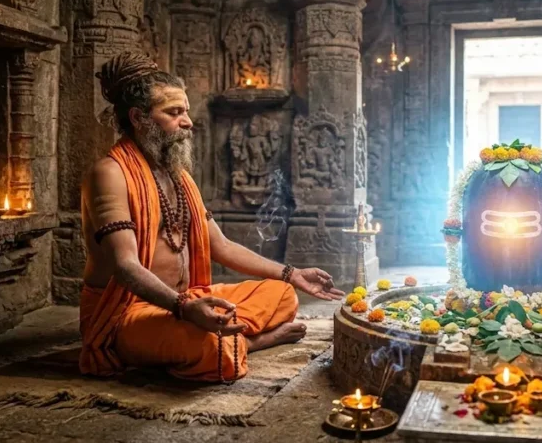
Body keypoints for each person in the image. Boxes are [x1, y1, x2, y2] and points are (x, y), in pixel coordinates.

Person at [79, 51, 344, 382]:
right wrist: (182, 308)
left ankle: (224, 337)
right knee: (219, 356)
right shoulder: (110, 173)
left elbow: (221, 245)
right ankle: (251, 341)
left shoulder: (177, 176)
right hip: (128, 313)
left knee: (282, 296)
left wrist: (291, 273)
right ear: (138, 117)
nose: (188, 122)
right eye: (174, 112)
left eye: (186, 111)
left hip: (188, 300)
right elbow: (125, 265)